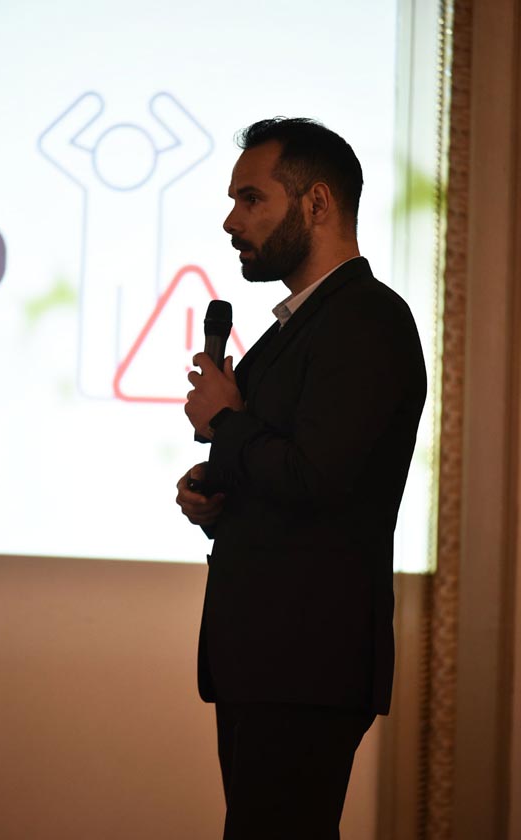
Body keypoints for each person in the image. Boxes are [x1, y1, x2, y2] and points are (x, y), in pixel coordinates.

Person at [176, 118, 426, 840]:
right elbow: (285, 469)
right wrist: (215, 490)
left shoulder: (368, 320)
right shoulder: (296, 329)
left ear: (317, 203)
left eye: (251, 199)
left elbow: (319, 476)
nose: (231, 221)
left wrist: (227, 423)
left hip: (306, 659)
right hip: (268, 658)